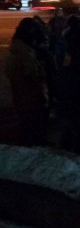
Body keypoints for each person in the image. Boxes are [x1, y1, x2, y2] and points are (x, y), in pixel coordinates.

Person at [5, 18, 49, 146]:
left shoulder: (18, 47)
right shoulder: (25, 51)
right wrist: (40, 72)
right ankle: (32, 141)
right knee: (31, 117)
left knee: (27, 116)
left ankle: (30, 139)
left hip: (22, 90)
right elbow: (31, 72)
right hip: (29, 91)